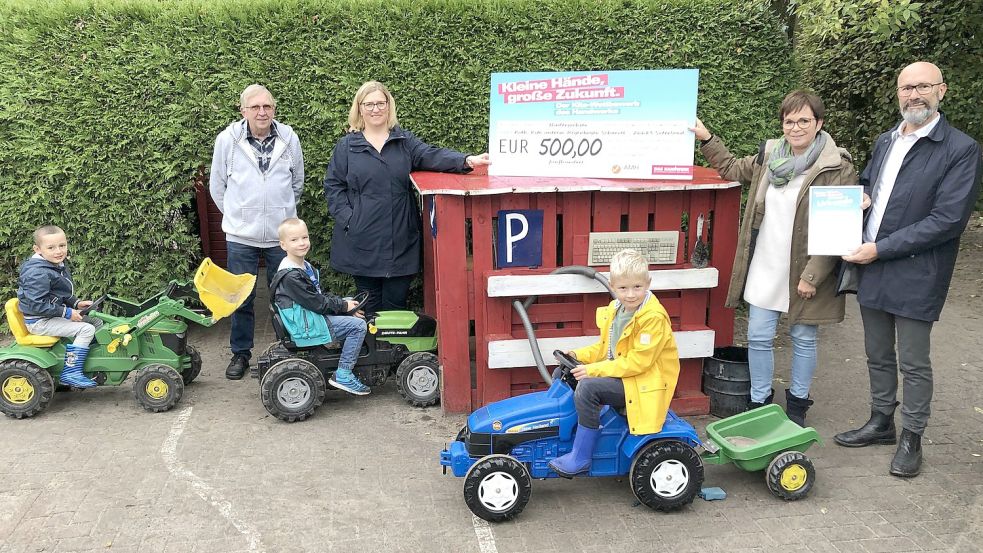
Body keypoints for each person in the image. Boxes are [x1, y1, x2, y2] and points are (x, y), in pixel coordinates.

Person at [833, 62, 982, 478]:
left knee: (914, 361)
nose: (913, 95)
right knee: (877, 353)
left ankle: (911, 436)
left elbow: (948, 220)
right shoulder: (885, 141)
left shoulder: (960, 148)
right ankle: (881, 422)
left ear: (942, 91)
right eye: (906, 88)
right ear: (897, 93)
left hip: (917, 269)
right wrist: (859, 197)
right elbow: (869, 184)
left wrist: (879, 249)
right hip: (873, 263)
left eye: (922, 87)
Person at [691, 90, 858, 426]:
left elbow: (839, 229)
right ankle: (760, 403)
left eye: (803, 121)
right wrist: (705, 136)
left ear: (819, 123)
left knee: (804, 338)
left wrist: (812, 276)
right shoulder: (770, 156)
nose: (795, 128)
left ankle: (797, 405)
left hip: (806, 269)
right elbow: (730, 168)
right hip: (766, 265)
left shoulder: (837, 166)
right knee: (758, 336)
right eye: (789, 121)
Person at [323, 80, 490, 316]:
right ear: (359, 108)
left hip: (400, 234)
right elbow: (333, 186)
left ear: (389, 106)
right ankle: (372, 351)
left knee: (395, 304)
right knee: (368, 304)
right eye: (368, 104)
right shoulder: (347, 146)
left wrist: (466, 160)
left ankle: (393, 352)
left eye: (381, 103)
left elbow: (431, 155)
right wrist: (350, 219)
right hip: (362, 237)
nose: (375, 109)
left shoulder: (404, 141)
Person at [548, 249, 680, 477]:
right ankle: (566, 432)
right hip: (625, 375)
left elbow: (639, 362)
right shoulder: (616, 310)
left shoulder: (652, 318)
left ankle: (581, 457)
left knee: (588, 387)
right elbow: (605, 349)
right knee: (562, 372)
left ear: (648, 283)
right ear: (612, 286)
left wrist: (593, 371)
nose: (630, 294)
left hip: (643, 383)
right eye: (623, 288)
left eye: (637, 287)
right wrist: (576, 355)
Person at [210, 84, 305, 380]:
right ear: (243, 111)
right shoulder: (228, 139)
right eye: (255, 107)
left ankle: (288, 350)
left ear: (274, 109)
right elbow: (217, 186)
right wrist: (239, 217)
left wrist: (281, 216)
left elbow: (297, 183)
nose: (262, 112)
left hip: (282, 236)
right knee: (242, 298)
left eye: (267, 106)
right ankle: (240, 354)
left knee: (286, 295)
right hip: (241, 237)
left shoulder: (289, 137)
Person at [273, 218, 370, 395]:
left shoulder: (303, 266)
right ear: (283, 245)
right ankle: (344, 373)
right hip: (305, 325)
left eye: (304, 237)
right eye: (294, 240)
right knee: (358, 326)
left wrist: (346, 305)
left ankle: (344, 354)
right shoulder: (291, 276)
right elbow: (317, 303)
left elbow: (318, 295)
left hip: (306, 315)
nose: (302, 243)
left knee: (348, 302)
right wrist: (343, 307)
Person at [17, 225, 97, 388]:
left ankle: (89, 362)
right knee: (86, 329)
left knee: (95, 322)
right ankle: (72, 372)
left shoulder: (53, 265)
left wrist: (76, 303)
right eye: (51, 247)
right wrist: (67, 312)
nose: (58, 251)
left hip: (48, 315)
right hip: (39, 321)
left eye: (62, 246)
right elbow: (38, 303)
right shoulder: (37, 273)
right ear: (38, 249)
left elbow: (59, 293)